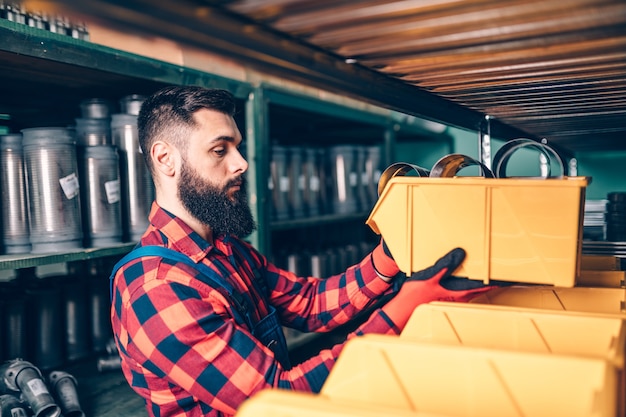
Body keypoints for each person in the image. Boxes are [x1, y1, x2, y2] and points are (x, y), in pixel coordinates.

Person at [109, 85, 495, 417]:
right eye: (219, 150)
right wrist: (405, 306)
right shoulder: (156, 287)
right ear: (165, 158)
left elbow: (309, 303)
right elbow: (277, 395)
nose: (241, 163)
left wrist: (386, 260)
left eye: (237, 148)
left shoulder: (227, 251)